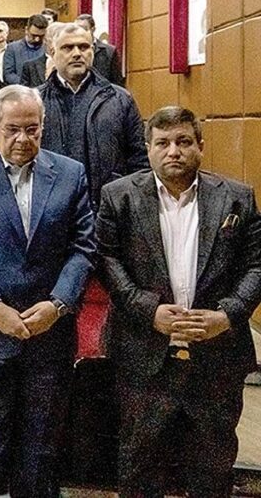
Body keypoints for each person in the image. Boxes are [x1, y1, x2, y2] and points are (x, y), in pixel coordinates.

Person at [97, 106, 261, 498]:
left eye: (184, 141)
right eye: (163, 143)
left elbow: (256, 264)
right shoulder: (118, 197)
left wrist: (228, 315)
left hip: (217, 357)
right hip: (143, 354)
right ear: (148, 148)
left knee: (212, 469)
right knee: (140, 467)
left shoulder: (236, 198)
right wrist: (147, 309)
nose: (174, 151)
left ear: (200, 145)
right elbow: (106, 261)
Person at [0, 85, 95, 497]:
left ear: (43, 127)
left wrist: (58, 305)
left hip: (50, 332)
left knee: (42, 447)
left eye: (32, 129)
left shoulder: (70, 173)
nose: (23, 139)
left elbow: (83, 248)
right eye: (12, 129)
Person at [39, 23, 148, 208]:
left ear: (93, 51)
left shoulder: (119, 99)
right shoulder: (35, 101)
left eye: (83, 47)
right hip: (52, 208)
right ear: (52, 52)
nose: (76, 54)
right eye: (67, 48)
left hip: (108, 208)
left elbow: (139, 159)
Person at [75, 13, 125, 86]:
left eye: (83, 29)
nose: (79, 32)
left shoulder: (109, 51)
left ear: (93, 29)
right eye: (76, 29)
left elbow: (117, 82)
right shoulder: (72, 50)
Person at [2, 14, 48, 84]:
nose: (37, 39)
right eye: (34, 35)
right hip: (21, 88)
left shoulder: (48, 48)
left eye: (41, 36)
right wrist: (27, 85)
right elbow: (8, 75)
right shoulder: (13, 48)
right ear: (26, 30)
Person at [20, 21, 64, 88]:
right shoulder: (30, 66)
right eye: (53, 39)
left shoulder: (74, 65)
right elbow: (24, 93)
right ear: (45, 40)